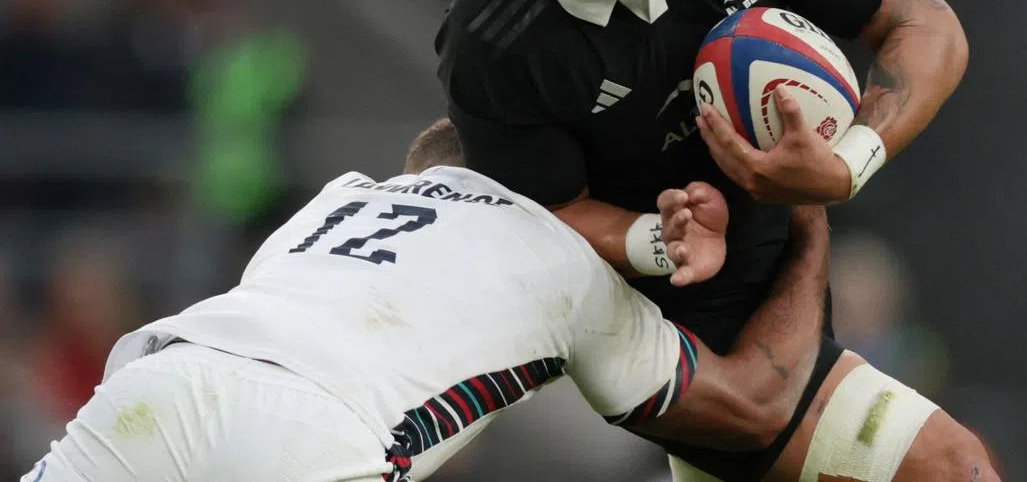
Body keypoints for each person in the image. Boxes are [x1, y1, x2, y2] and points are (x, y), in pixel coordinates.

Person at [435, 0, 984, 481]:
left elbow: (927, 25)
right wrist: (660, 242)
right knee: (953, 469)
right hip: (680, 334)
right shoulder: (497, 38)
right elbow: (541, 220)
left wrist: (845, 166)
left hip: (783, 264)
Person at [20, 119, 831, 482]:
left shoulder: (342, 198)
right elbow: (756, 406)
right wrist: (806, 227)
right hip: (312, 437)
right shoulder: (564, 262)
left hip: (166, 382)